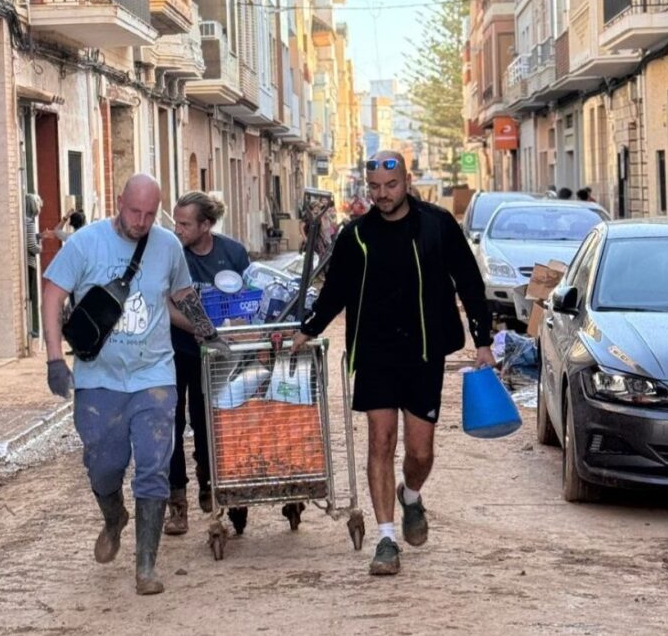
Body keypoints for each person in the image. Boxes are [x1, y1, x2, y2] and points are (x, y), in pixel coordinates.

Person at [291, 150, 494, 577]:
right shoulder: (357, 236)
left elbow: (470, 282)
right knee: (379, 443)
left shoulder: (437, 225)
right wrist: (306, 329)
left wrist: (483, 341)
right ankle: (386, 539)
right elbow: (335, 293)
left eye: (391, 186)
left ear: (406, 181)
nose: (383, 196)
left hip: (423, 353)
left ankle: (412, 495)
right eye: (375, 189)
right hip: (375, 353)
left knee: (420, 452)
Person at [41, 174, 230, 596]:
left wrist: (207, 331)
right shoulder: (86, 243)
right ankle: (114, 518)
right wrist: (55, 359)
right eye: (134, 212)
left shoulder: (165, 245)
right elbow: (53, 294)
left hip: (154, 377)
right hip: (99, 380)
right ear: (119, 201)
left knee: (153, 468)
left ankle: (146, 565)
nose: (141, 222)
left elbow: (183, 294)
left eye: (149, 214)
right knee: (103, 466)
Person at [166, 191, 250, 536]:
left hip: (214, 356)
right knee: (169, 426)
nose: (178, 229)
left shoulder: (233, 253)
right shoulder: (170, 253)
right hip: (172, 351)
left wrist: (226, 334)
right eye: (176, 222)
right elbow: (165, 303)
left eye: (185, 224)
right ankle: (177, 503)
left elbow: (248, 299)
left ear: (206, 225)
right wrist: (202, 328)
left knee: (207, 421)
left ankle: (208, 482)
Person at [24, 193, 43, 338]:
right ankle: (30, 328)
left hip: (26, 263)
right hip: (29, 264)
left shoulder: (24, 221)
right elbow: (33, 247)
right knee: (30, 296)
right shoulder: (29, 222)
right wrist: (40, 244)